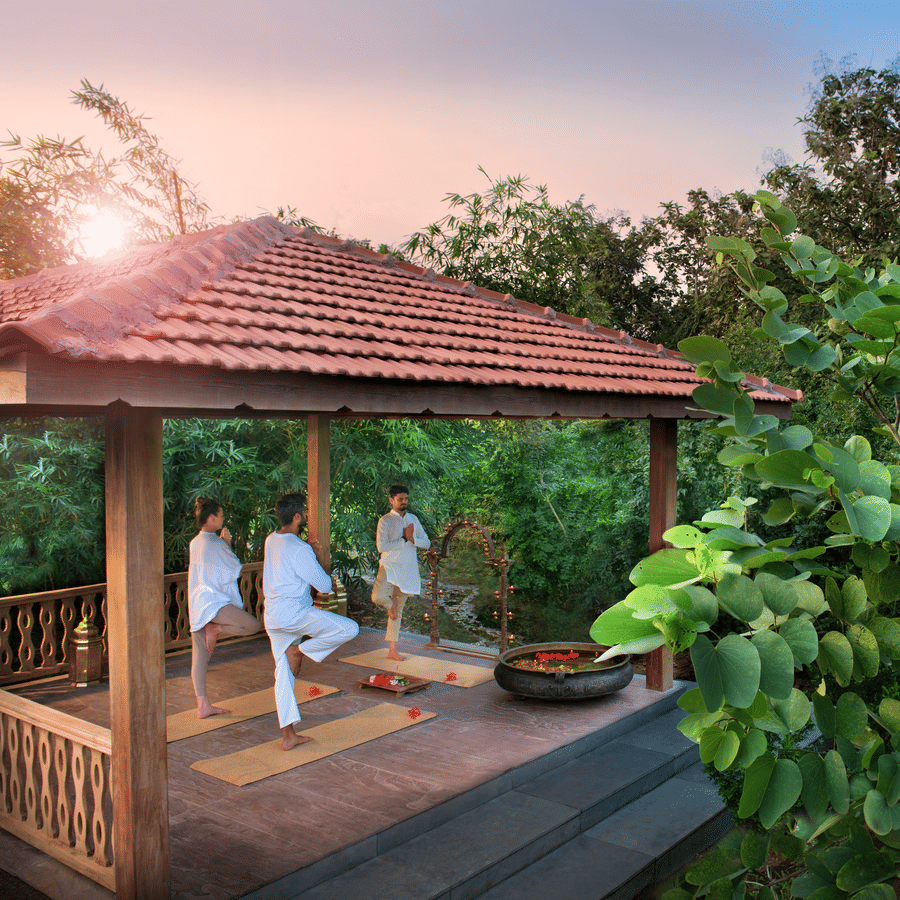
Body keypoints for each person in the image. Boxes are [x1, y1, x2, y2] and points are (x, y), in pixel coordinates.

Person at [263, 492, 359, 750]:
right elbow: (325, 586)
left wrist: (308, 552)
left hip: (272, 617)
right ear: (296, 516)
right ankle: (299, 650)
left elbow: (289, 562)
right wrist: (313, 555)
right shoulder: (300, 549)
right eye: (304, 511)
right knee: (350, 628)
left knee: (283, 674)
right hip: (295, 616)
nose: (306, 515)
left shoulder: (271, 540)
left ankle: (288, 735)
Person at [188, 498, 260, 719]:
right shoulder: (216, 543)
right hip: (213, 604)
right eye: (220, 515)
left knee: (200, 655)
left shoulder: (195, 542)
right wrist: (227, 542)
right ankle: (216, 629)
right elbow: (235, 569)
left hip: (197, 603)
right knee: (252, 625)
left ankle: (203, 705)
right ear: (211, 519)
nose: (223, 518)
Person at [371, 484, 430, 661]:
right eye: (400, 499)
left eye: (405, 499)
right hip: (389, 566)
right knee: (378, 597)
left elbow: (426, 543)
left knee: (399, 612)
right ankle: (391, 605)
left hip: (408, 568)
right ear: (391, 500)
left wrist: (413, 539)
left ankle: (392, 650)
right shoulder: (386, 520)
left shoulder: (413, 519)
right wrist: (404, 539)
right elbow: (381, 547)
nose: (404, 502)